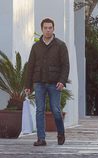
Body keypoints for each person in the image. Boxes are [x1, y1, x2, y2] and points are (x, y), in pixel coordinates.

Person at [24, 18, 70, 146]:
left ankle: (60, 133)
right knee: (39, 110)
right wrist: (28, 85)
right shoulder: (36, 46)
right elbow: (30, 66)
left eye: (50, 28)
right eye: (45, 28)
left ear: (53, 29)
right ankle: (41, 139)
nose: (48, 30)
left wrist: (62, 81)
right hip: (38, 82)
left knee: (55, 109)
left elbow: (65, 65)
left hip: (55, 83)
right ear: (42, 29)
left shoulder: (60, 45)